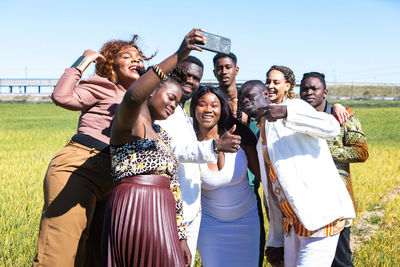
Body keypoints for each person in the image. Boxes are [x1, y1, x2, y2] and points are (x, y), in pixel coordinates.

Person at [33, 35, 150, 266]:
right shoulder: (103, 86)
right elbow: (62, 97)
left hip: (115, 179)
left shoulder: (144, 99)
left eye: (138, 58)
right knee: (59, 254)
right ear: (111, 66)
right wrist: (82, 62)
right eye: (127, 57)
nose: (135, 61)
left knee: (97, 256)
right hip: (80, 167)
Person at [101, 28, 205, 267]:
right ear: (151, 91)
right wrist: (179, 55)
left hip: (164, 212)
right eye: (170, 97)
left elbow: (175, 188)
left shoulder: (163, 136)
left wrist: (181, 237)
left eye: (177, 102)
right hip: (134, 207)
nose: (173, 105)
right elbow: (132, 98)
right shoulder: (127, 122)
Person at [239, 80, 356, 267]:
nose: (244, 102)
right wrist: (275, 242)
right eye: (241, 99)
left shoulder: (294, 106)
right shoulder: (261, 135)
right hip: (293, 225)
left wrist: (287, 113)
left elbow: (331, 127)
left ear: (266, 95)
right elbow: (273, 192)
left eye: (250, 97)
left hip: (320, 217)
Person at [155, 56, 241, 266]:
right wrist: (215, 146)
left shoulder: (185, 116)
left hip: (192, 211)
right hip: (172, 211)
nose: (190, 81)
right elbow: (168, 150)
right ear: (172, 74)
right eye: (186, 75)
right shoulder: (162, 112)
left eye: (196, 78)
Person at [300, 72, 369, 267]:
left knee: (340, 259)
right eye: (304, 89)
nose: (309, 93)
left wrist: (325, 150)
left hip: (337, 200)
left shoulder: (343, 116)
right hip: (305, 200)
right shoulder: (296, 118)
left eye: (315, 88)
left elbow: (361, 152)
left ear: (325, 92)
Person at [192, 86, 260, 267]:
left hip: (247, 221)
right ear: (193, 109)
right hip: (210, 225)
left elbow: (262, 173)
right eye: (202, 104)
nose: (208, 109)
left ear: (222, 109)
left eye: (214, 105)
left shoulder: (240, 135)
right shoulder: (190, 146)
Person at [213, 52, 266, 266]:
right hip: (222, 183)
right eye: (219, 68)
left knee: (254, 247)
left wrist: (333, 106)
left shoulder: (250, 98)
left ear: (236, 70)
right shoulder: (213, 101)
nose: (223, 71)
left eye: (227, 67)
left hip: (252, 182)